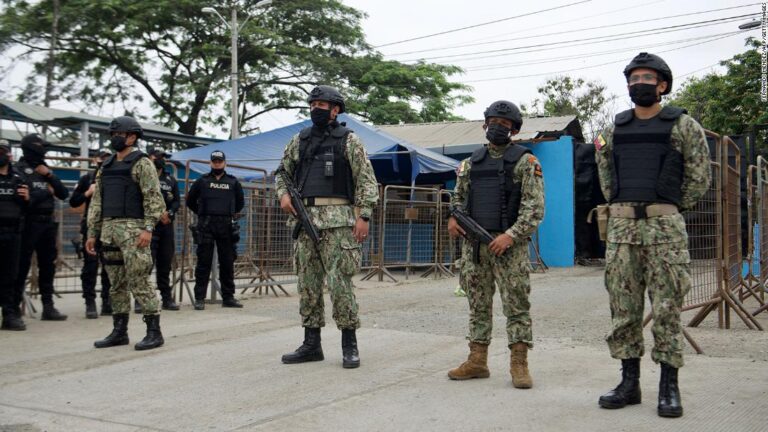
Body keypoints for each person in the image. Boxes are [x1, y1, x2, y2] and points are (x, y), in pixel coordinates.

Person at [594, 52, 710, 418]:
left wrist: (668, 206)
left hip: (665, 231)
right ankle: (629, 384)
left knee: (666, 310)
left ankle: (668, 387)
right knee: (623, 311)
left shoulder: (683, 125)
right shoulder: (613, 130)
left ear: (662, 85)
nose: (638, 83)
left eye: (647, 77)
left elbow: (698, 177)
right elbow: (606, 177)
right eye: (633, 78)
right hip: (623, 231)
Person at [275, 85, 379, 369]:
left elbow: (367, 181)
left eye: (322, 104)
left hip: (339, 221)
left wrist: (364, 215)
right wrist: (283, 195)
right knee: (307, 283)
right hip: (304, 218)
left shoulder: (350, 140)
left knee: (339, 282)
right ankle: (311, 344)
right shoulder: (299, 140)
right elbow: (282, 173)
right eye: (312, 104)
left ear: (336, 110)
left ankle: (349, 343)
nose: (315, 109)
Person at [445, 100, 545, 388]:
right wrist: (453, 219)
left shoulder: (526, 162)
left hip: (508, 248)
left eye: (504, 124)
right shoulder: (470, 163)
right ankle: (477, 361)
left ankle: (519, 364)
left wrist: (510, 236)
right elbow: (458, 200)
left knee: (516, 306)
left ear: (514, 129)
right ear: (484, 123)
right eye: (493, 121)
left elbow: (534, 208)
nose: (497, 127)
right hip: (475, 247)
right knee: (477, 305)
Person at [86, 116, 166, 351]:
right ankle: (119, 331)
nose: (114, 138)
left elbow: (154, 198)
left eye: (118, 134)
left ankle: (154, 332)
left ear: (132, 136)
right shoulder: (106, 165)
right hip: (109, 231)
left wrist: (148, 228)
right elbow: (98, 201)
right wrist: (93, 231)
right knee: (116, 284)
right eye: (112, 135)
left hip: (134, 230)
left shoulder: (142, 163)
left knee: (139, 280)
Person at [13, 133, 70, 321]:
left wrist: (50, 176)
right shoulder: (18, 170)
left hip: (47, 223)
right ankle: (13, 309)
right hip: (28, 223)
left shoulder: (45, 170)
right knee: (21, 266)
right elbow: (22, 198)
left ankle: (48, 307)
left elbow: (62, 194)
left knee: (48, 266)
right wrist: (44, 192)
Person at [185, 150, 244, 310]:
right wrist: (203, 213)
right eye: (214, 161)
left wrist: (228, 213)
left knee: (227, 262)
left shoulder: (233, 182)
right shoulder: (202, 181)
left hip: (226, 225)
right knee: (203, 263)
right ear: (210, 163)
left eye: (220, 161)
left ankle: (228, 297)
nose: (217, 163)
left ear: (225, 162)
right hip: (207, 225)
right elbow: (190, 200)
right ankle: (199, 298)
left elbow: (240, 202)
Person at [70, 150, 113, 318]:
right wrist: (88, 192)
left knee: (110, 266)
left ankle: (107, 301)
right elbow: (74, 201)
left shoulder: (114, 178)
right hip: (91, 227)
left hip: (110, 226)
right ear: (95, 160)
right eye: (102, 158)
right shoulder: (87, 179)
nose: (105, 160)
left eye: (108, 158)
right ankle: (90, 301)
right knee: (90, 266)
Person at [0, 140, 31, 330]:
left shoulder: (19, 177)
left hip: (13, 232)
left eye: (2, 151)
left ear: (9, 154)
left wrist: (27, 199)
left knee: (11, 275)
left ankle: (10, 314)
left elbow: (28, 206)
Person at [149, 149, 180, 311]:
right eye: (156, 157)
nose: (159, 160)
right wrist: (157, 213)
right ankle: (142, 300)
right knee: (146, 264)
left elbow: (176, 202)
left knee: (165, 263)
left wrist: (170, 213)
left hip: (166, 226)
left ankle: (166, 298)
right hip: (148, 227)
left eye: (162, 158)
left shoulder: (170, 179)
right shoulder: (144, 177)